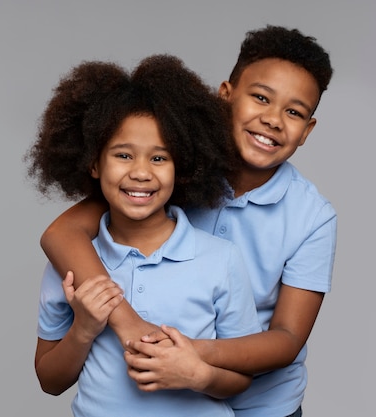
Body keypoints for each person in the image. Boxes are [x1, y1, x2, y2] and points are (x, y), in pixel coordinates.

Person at [40, 25, 336, 417]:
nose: (273, 119)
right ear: (226, 95)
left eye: (294, 112)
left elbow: (287, 338)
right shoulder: (169, 178)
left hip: (264, 406)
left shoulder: (313, 217)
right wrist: (128, 324)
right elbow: (62, 233)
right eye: (261, 98)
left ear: (307, 130)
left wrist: (184, 355)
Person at [27, 54, 262, 417]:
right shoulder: (73, 263)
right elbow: (50, 380)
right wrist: (85, 329)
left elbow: (242, 377)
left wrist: (197, 375)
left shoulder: (220, 259)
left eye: (159, 158)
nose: (140, 173)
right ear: (93, 163)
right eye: (123, 155)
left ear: (181, 166)